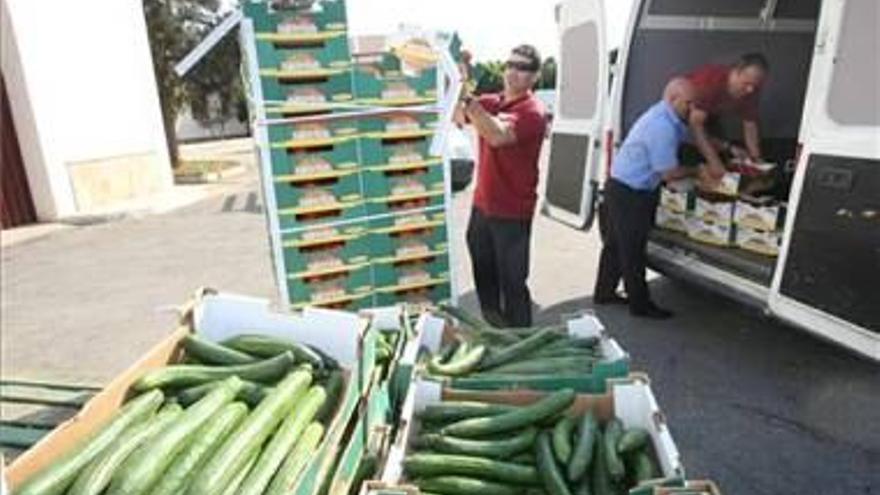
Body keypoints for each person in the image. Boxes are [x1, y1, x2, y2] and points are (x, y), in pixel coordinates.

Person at [454, 44, 547, 327]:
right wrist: (456, 84)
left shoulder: (533, 111)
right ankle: (495, 330)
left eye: (522, 68)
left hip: (511, 213)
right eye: (510, 64)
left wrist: (468, 101)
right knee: (485, 276)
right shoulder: (493, 102)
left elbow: (496, 135)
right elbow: (458, 116)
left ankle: (521, 341)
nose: (513, 72)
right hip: (482, 207)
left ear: (535, 76)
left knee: (513, 283)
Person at [594, 78, 698, 319]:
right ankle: (640, 305)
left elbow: (685, 134)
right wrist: (698, 170)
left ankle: (604, 292)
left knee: (615, 245)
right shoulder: (662, 126)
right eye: (689, 103)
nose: (692, 108)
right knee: (632, 249)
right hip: (630, 192)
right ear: (673, 99)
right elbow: (669, 173)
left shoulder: (666, 115)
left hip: (620, 185)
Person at [686, 53, 769, 183]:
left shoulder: (752, 90)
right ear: (735, 72)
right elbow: (695, 126)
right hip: (685, 115)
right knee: (706, 160)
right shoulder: (711, 80)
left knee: (723, 158)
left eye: (755, 86)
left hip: (710, 117)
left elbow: (750, 124)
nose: (750, 90)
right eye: (746, 84)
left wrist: (756, 160)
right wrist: (714, 162)